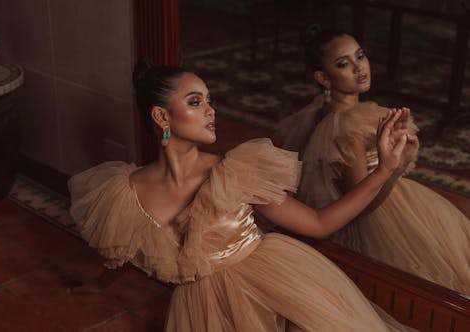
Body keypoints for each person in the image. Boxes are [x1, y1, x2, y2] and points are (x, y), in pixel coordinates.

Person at [68, 57, 415, 331]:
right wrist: (100, 284)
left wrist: (385, 170)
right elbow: (121, 249)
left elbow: (320, 223)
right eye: (195, 101)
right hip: (203, 309)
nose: (210, 110)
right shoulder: (125, 192)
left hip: (273, 281)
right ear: (162, 116)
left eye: (209, 100)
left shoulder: (235, 170)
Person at [275, 25, 470, 295]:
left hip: (385, 205)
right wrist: (395, 168)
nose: (359, 68)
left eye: (361, 55)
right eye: (344, 63)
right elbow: (361, 209)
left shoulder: (321, 108)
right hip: (372, 224)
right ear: (324, 78)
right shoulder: (345, 130)